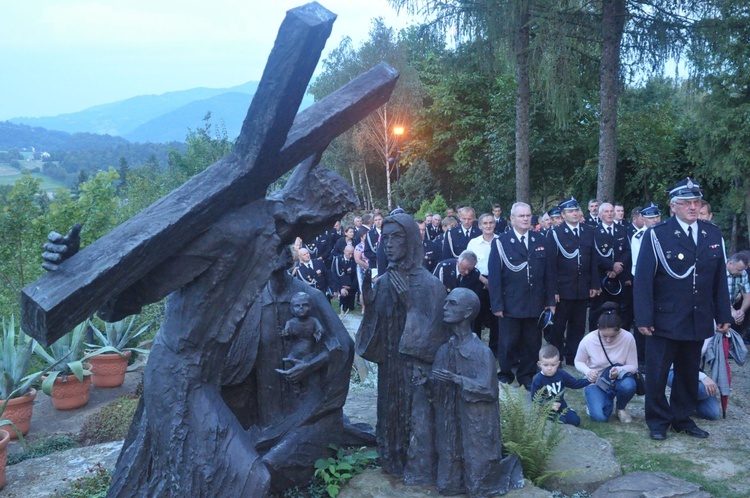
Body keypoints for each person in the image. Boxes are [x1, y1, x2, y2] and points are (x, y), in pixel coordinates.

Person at [634, 177, 732, 440]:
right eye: (686, 202)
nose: (692, 207)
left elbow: (719, 278)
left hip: (698, 317)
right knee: (657, 374)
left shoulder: (711, 233)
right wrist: (643, 316)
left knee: (689, 373)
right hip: (664, 319)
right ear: (673, 206)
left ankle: (682, 418)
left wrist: (723, 314)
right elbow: (643, 280)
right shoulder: (658, 234)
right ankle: (657, 422)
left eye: (696, 202)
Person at [356, 213, 449, 483]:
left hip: (415, 369)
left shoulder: (431, 285)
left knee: (415, 418)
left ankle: (416, 466)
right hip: (391, 367)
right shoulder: (384, 281)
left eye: (397, 237)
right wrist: (371, 306)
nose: (388, 244)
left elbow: (437, 336)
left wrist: (410, 306)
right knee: (390, 412)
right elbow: (371, 340)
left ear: (410, 241)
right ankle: (390, 458)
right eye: (386, 237)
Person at [432, 288, 523, 497]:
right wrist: (426, 382)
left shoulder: (482, 352)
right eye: (445, 302)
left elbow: (489, 390)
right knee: (447, 485)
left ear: (467, 312)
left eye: (451, 304)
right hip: (451, 423)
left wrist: (458, 379)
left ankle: (503, 468)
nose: (444, 308)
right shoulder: (445, 350)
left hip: (476, 422)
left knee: (477, 487)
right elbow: (436, 385)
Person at [489, 202, 556, 388]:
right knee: (508, 342)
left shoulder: (541, 240)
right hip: (510, 302)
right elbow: (494, 277)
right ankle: (506, 374)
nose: (525, 219)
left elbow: (549, 274)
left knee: (532, 342)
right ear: (512, 219)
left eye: (528, 215)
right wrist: (497, 305)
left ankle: (527, 376)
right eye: (521, 216)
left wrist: (550, 300)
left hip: (535, 302)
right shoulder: (501, 242)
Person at [547, 196, 600, 364]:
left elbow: (593, 259)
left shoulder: (588, 231)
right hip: (563, 289)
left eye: (576, 210)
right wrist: (553, 290)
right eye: (570, 211)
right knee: (558, 326)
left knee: (578, 326)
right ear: (562, 215)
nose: (575, 214)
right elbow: (550, 265)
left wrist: (594, 284)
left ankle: (573, 357)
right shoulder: (555, 233)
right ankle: (556, 357)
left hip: (582, 287)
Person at [575, 303, 638, 423]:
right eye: (604, 336)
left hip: (618, 379)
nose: (608, 340)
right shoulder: (588, 340)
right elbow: (578, 361)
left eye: (613, 336)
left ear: (619, 328)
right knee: (600, 418)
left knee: (629, 385)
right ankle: (593, 399)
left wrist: (619, 370)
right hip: (596, 381)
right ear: (598, 327)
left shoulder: (628, 338)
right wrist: (587, 371)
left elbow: (633, 366)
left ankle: (621, 408)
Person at [590, 202, 631, 331]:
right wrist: (611, 266)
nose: (610, 214)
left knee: (618, 309)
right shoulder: (594, 232)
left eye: (611, 211)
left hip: (618, 276)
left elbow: (627, 250)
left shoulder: (622, 230)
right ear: (600, 215)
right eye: (606, 212)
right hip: (602, 276)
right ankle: (595, 335)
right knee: (598, 309)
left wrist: (618, 267)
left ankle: (616, 334)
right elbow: (594, 254)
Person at [531, 345, 590, 426]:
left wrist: (589, 380)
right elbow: (534, 399)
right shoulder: (538, 379)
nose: (549, 368)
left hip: (562, 407)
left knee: (575, 421)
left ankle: (570, 411)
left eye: (553, 365)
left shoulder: (561, 374)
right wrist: (548, 404)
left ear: (558, 363)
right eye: (546, 365)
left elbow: (574, 384)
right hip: (546, 410)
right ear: (539, 364)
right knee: (561, 422)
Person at [667, 337, 721, 421]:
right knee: (703, 390)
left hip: (696, 370)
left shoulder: (714, 328)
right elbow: (683, 360)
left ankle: (686, 399)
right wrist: (703, 377)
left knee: (712, 413)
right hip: (674, 369)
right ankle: (680, 400)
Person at [466, 213, 499, 352]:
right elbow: (468, 265)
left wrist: (493, 282)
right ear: (479, 226)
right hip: (478, 281)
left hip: (497, 282)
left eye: (491, 222)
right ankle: (476, 348)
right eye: (485, 223)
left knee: (496, 317)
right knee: (476, 318)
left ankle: (495, 349)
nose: (488, 226)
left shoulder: (501, 240)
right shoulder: (473, 243)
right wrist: (484, 280)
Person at [279, 292, 324, 392]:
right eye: (297, 306)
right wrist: (285, 335)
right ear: (292, 309)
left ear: (310, 307)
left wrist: (318, 333)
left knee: (307, 367)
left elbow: (321, 330)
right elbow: (287, 338)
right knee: (288, 362)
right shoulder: (290, 323)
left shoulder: (313, 321)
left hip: (310, 352)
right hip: (295, 352)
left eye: (305, 305)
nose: (301, 308)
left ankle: (309, 388)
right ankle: (295, 386)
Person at [725, 251, 750, 341]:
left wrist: (741, 311)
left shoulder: (743, 273)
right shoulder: (719, 272)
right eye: (739, 269)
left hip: (732, 305)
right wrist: (731, 310)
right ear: (730, 263)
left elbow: (747, 295)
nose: (740, 272)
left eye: (742, 270)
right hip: (717, 307)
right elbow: (717, 296)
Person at [331, 245, 358, 312]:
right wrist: (340, 288)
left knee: (351, 308)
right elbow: (335, 275)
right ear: (345, 251)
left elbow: (356, 276)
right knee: (343, 306)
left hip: (351, 285)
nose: (351, 255)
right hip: (342, 284)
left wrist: (351, 287)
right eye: (349, 253)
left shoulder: (354, 261)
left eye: (352, 253)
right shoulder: (338, 260)